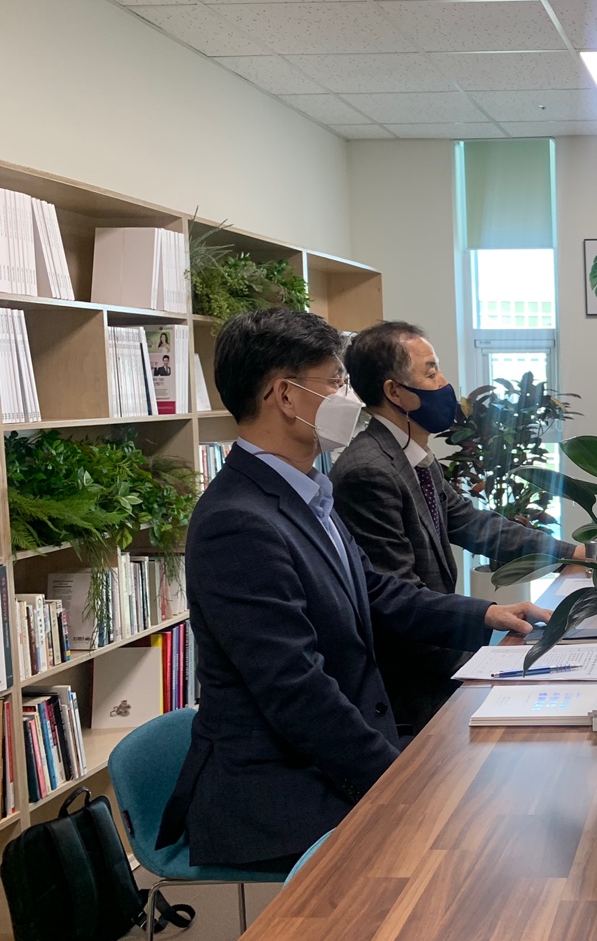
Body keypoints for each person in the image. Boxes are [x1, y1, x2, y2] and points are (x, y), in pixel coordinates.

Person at [156, 308, 548, 871]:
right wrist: (397, 780)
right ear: (285, 396)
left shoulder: (306, 491)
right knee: (475, 849)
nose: (349, 397)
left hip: (335, 751)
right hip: (281, 788)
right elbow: (296, 688)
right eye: (335, 382)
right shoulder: (237, 521)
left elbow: (377, 592)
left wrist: (485, 614)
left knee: (500, 799)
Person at [330, 320, 579, 733]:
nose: (444, 384)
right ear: (395, 392)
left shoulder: (411, 456)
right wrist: (489, 619)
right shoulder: (368, 471)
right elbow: (397, 600)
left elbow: (473, 523)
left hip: (440, 658)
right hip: (413, 687)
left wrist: (573, 553)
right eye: (431, 372)